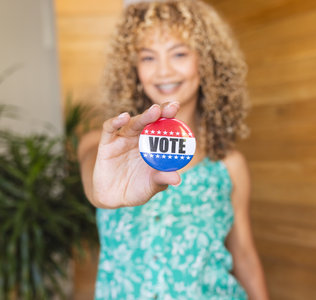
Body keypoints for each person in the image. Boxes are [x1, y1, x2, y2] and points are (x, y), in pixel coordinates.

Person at [78, 1, 269, 299]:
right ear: (133, 68)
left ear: (207, 60)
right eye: (148, 57)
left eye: (179, 53)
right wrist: (99, 190)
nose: (163, 71)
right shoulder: (101, 146)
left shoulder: (229, 165)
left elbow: (243, 255)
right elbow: (93, 172)